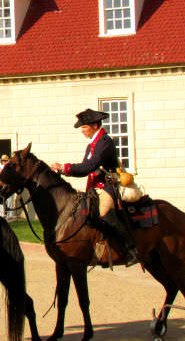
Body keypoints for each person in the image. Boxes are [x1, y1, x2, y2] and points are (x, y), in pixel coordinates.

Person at [50, 108, 139, 266]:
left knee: (104, 213)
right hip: (94, 188)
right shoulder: (92, 145)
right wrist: (64, 171)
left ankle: (131, 249)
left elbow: (90, 166)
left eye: (84, 127)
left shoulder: (105, 142)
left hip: (107, 187)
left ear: (95, 125)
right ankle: (98, 249)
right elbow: (85, 168)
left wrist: (65, 167)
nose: (82, 130)